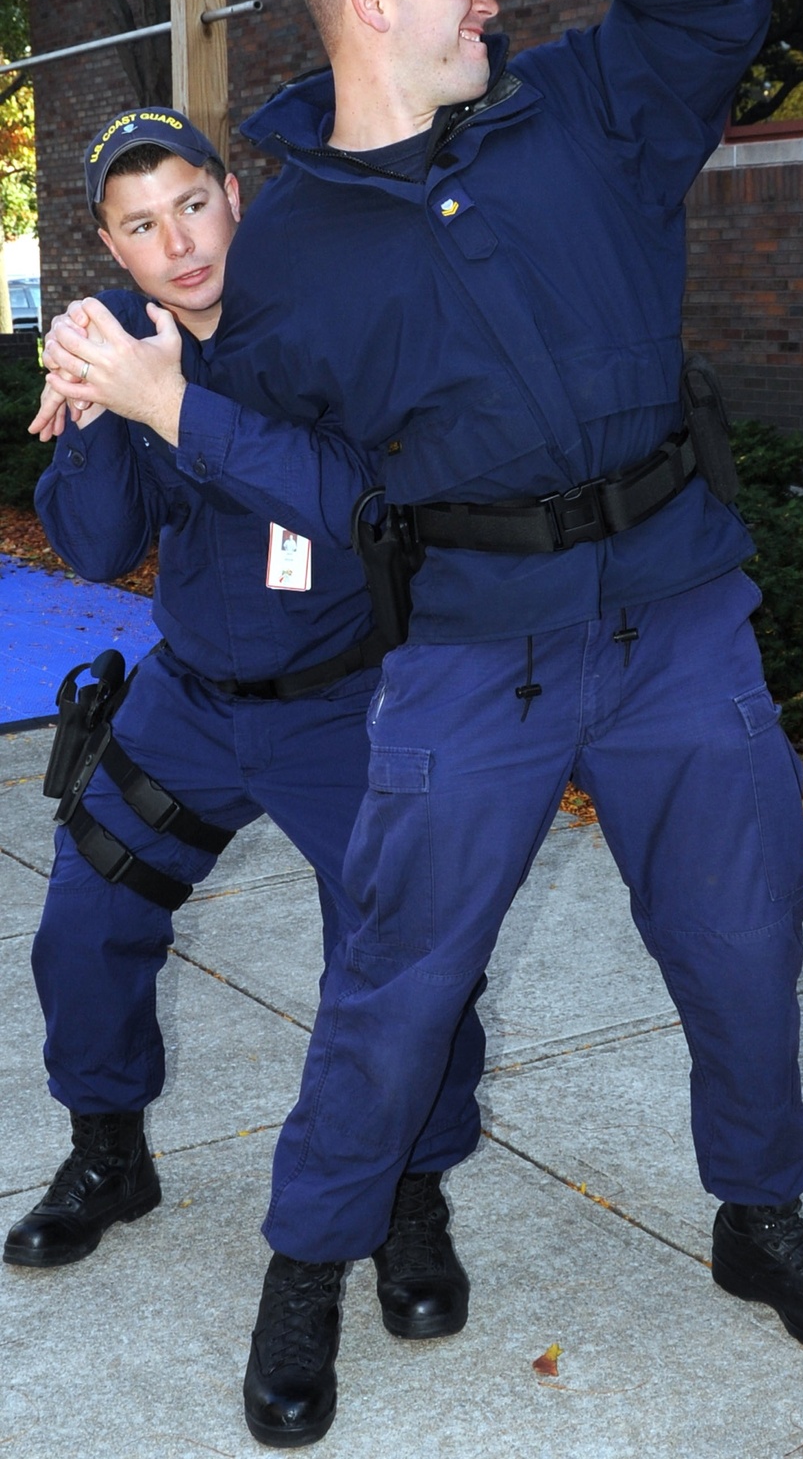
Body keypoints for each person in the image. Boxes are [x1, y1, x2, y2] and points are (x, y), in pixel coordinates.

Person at [62, 0, 803, 1450]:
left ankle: (758, 1213)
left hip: (675, 610)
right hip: (467, 649)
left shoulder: (594, 103)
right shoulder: (294, 246)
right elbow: (327, 491)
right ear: (377, 1)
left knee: (739, 940)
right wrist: (170, 413)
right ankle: (309, 1261)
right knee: (395, 978)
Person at [4, 110, 484, 1343]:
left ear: (233, 191)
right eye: (140, 224)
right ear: (109, 241)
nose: (179, 242)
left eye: (192, 204)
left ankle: (410, 1193)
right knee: (88, 910)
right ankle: (111, 1150)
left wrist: (171, 402)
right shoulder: (128, 342)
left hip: (345, 703)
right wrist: (102, 405)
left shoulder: (322, 318)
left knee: (398, 958)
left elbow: (355, 503)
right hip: (193, 697)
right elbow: (104, 545)